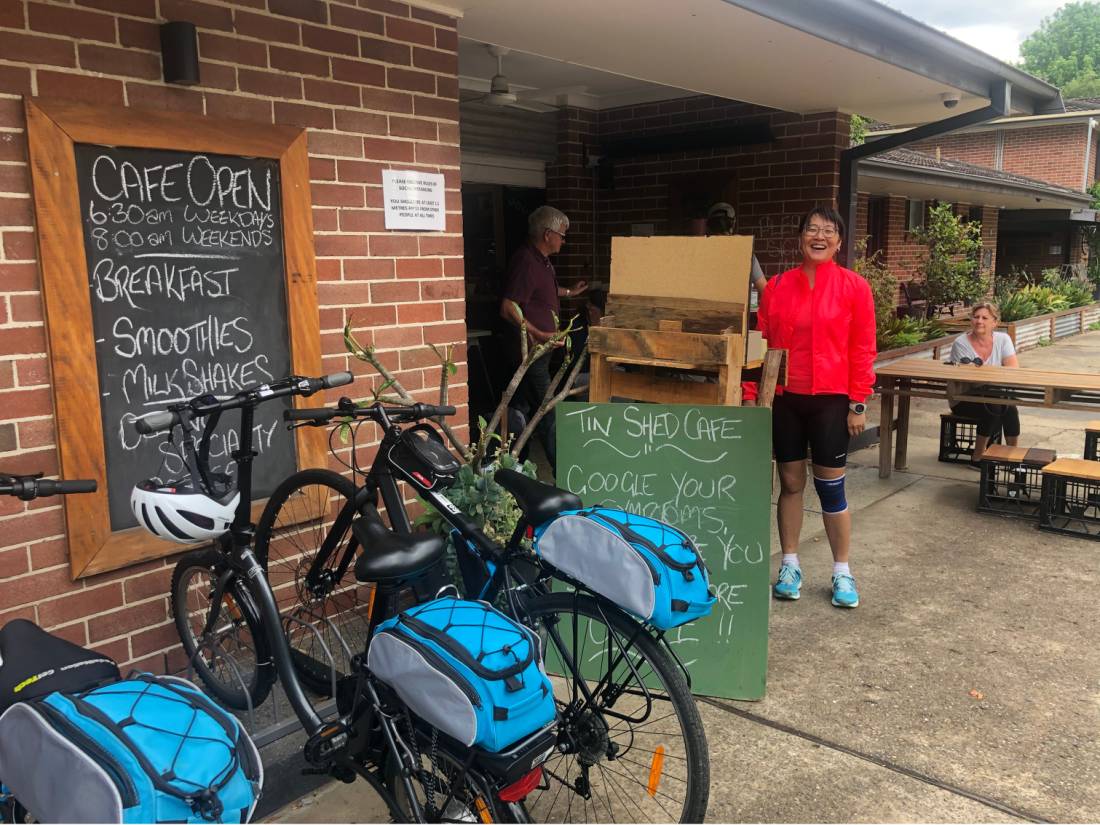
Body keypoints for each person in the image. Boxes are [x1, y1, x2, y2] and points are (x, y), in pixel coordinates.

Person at [757, 205, 877, 609]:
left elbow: (863, 348)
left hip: (832, 400)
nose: (819, 236)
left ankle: (842, 570)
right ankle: (789, 564)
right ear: (801, 237)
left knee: (830, 488)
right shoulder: (776, 286)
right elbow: (764, 342)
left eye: (828, 231)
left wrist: (858, 401)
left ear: (839, 242)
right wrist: (754, 393)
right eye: (812, 229)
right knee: (790, 483)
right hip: (787, 399)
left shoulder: (854, 287)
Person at [499, 205, 587, 473]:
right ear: (548, 234)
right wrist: (537, 333)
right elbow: (508, 306)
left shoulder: (542, 261)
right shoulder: (526, 260)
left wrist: (570, 292)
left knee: (520, 410)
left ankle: (511, 468)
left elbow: (543, 291)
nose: (564, 239)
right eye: (562, 234)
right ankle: (568, 473)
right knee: (548, 409)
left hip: (541, 351)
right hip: (532, 353)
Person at [947, 301, 1020, 466]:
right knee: (994, 406)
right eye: (976, 317)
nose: (979, 321)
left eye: (985, 318)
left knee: (1009, 407)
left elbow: (1013, 369)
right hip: (963, 398)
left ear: (995, 322)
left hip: (993, 394)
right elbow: (972, 378)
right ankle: (978, 455)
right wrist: (996, 375)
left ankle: (1012, 457)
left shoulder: (1003, 339)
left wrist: (988, 374)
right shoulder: (961, 343)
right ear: (971, 320)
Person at [706, 202, 767, 296]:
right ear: (733, 223)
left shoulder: (701, 250)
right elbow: (765, 291)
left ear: (709, 226)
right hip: (738, 308)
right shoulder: (744, 250)